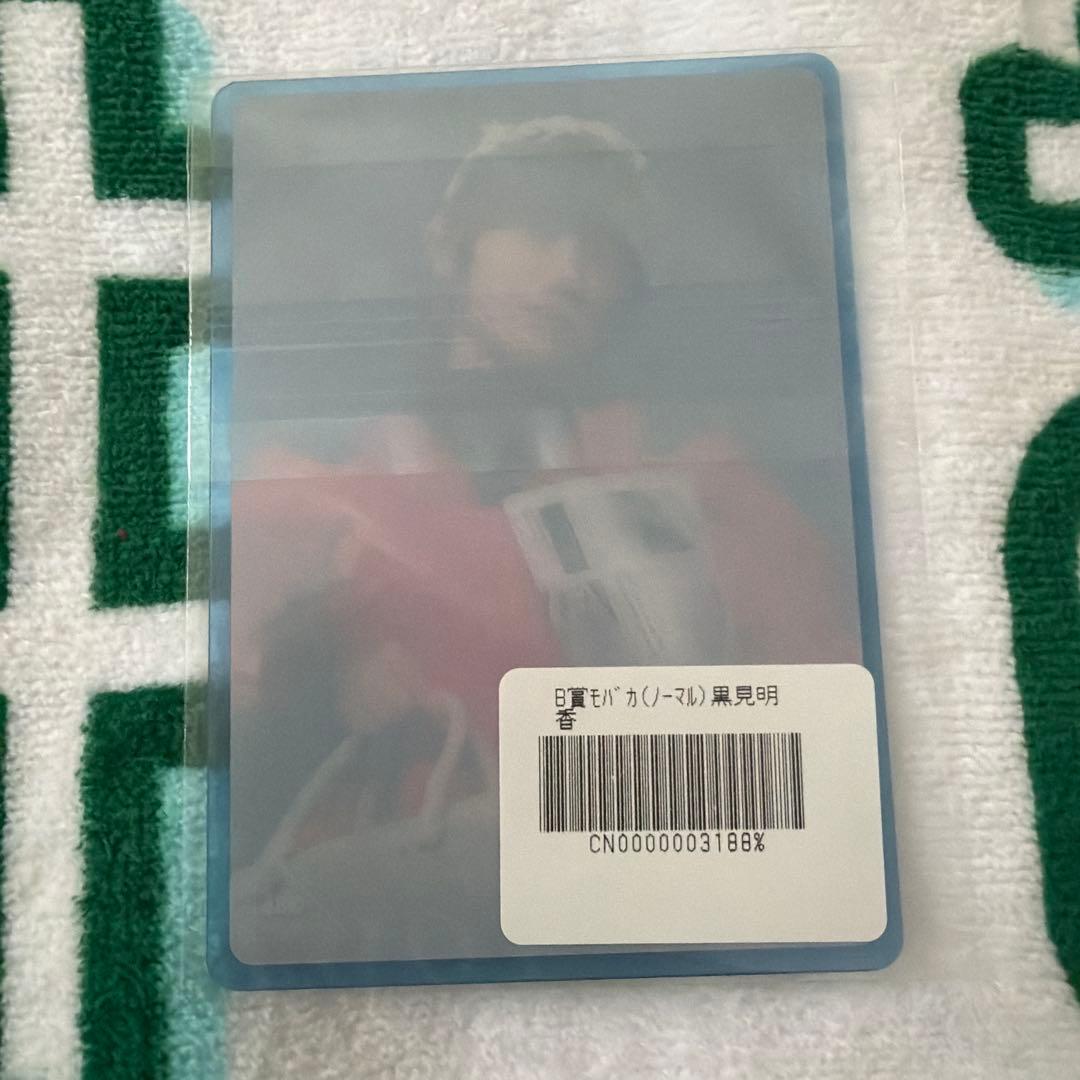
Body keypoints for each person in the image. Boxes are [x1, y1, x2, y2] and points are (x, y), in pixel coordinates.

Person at [227, 116, 858, 959]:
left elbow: (824, 723)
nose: (570, 273)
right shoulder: (307, 488)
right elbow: (219, 751)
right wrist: (324, 689)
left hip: (653, 907)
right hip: (374, 924)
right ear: (451, 245)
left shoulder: (703, 480)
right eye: (536, 228)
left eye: (604, 249)